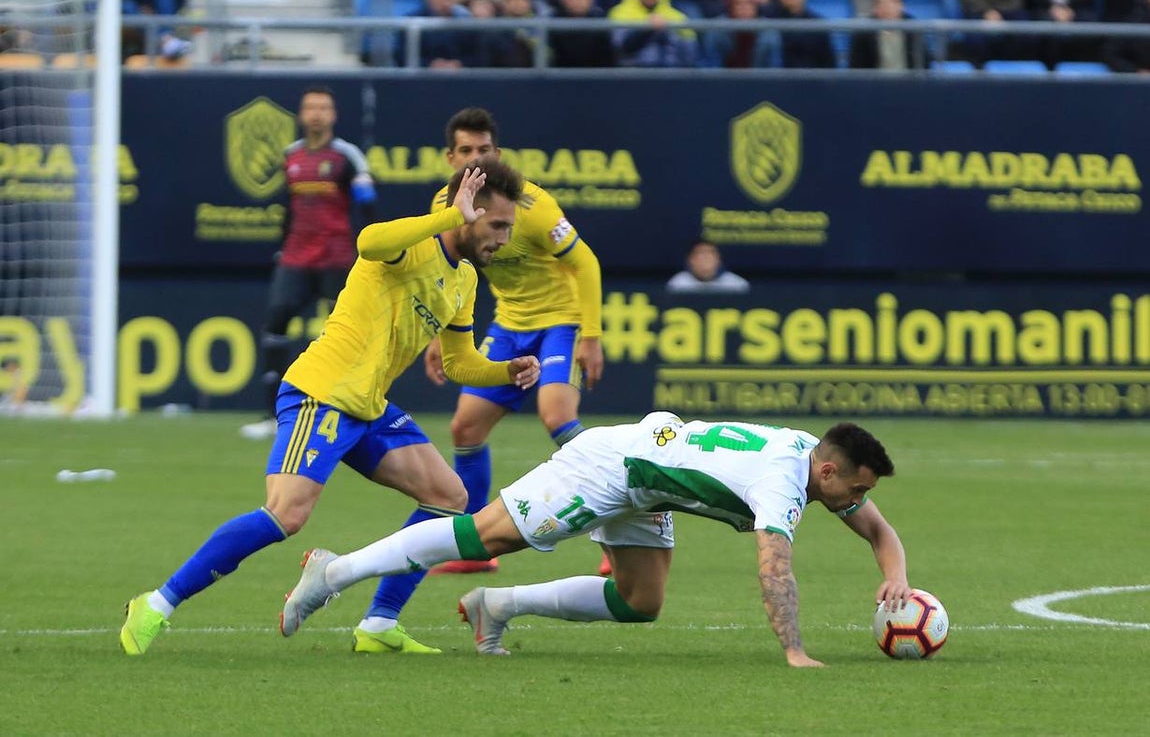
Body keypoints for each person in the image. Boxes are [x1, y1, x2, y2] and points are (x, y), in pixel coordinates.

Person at [120, 162, 541, 657]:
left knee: (449, 495)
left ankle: (379, 623)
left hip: (368, 407)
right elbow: (368, 242)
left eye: (509, 228)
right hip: (321, 392)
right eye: (497, 225)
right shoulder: (410, 244)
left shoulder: (465, 280)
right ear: (466, 214)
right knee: (286, 515)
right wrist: (448, 218)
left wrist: (504, 371)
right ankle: (156, 604)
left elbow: (459, 362)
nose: (504, 238)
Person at [281, 412, 911, 667]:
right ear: (826, 471)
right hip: (612, 468)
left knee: (641, 601)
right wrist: (795, 651)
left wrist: (898, 574)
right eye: (849, 489)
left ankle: (496, 607)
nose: (852, 502)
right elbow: (774, 572)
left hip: (651, 481)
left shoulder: (813, 455)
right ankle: (333, 572)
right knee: (485, 537)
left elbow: (878, 529)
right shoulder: (782, 483)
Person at [402, 106, 603, 584]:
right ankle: (473, 548)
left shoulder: (532, 207)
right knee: (465, 427)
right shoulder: (445, 208)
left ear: (498, 153)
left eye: (485, 149)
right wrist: (439, 337)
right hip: (510, 326)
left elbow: (587, 263)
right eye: (466, 150)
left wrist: (591, 336)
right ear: (450, 157)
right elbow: (448, 273)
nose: (476, 157)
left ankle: (622, 524)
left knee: (557, 417)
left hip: (562, 321)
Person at [239, 87, 377, 440]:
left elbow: (367, 207)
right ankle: (273, 416)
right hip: (296, 258)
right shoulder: (291, 156)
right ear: (302, 115)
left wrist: (367, 254)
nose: (317, 113)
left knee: (347, 334)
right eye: (311, 107)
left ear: (333, 115)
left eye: (324, 107)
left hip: (337, 257)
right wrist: (282, 247)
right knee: (275, 327)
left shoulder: (348, 157)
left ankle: (348, 408)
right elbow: (289, 209)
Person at [848, 0, 926, 71]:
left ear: (901, 5)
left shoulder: (914, 28)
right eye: (880, 2)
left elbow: (924, 65)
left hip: (909, 83)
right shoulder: (864, 31)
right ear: (874, 8)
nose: (887, 7)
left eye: (892, 1)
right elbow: (856, 69)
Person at [667, 237, 750, 292]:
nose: (706, 259)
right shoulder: (678, 284)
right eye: (701, 254)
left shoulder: (736, 285)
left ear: (718, 260)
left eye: (710, 254)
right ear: (691, 260)